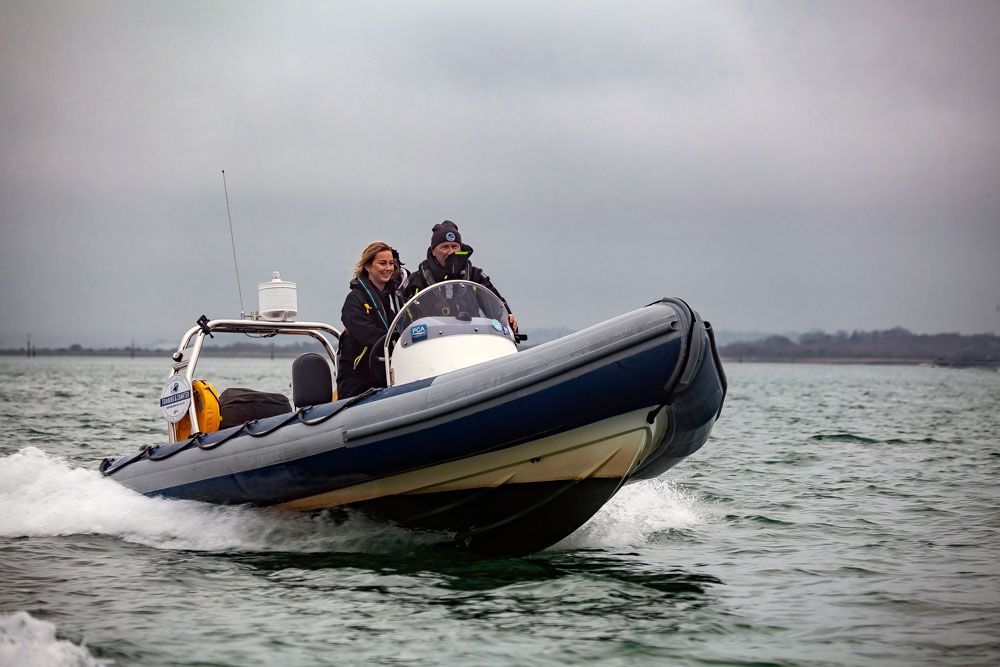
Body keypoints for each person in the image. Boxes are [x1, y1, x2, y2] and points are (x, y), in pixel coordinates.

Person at [401, 220, 517, 331]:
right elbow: (403, 320)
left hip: (473, 339)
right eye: (445, 247)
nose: (451, 251)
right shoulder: (417, 280)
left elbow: (495, 304)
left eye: (454, 246)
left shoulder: (475, 276)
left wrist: (506, 316)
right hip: (430, 343)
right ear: (433, 251)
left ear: (460, 248)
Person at [336, 242, 398, 399]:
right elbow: (365, 333)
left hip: (383, 376)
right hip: (357, 381)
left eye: (391, 263)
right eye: (382, 263)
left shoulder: (391, 300)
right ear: (368, 266)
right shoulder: (354, 300)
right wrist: (395, 341)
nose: (388, 268)